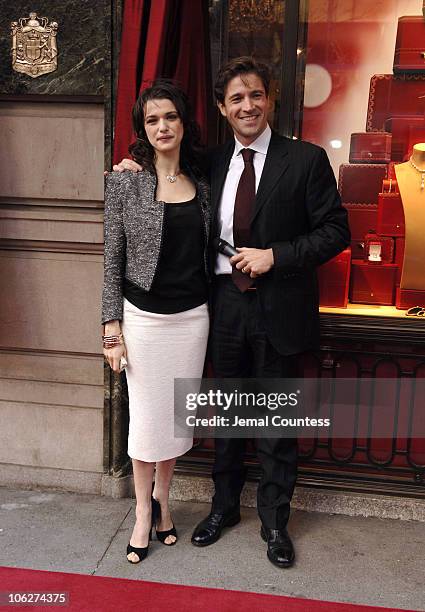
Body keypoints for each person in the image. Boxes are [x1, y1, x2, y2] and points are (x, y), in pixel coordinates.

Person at [114, 57, 350, 568]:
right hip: (219, 309)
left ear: (271, 99)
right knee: (225, 415)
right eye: (236, 99)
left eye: (256, 95)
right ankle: (223, 509)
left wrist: (276, 254)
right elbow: (160, 160)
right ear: (222, 108)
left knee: (274, 420)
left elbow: (336, 231)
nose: (248, 106)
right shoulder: (210, 162)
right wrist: (129, 165)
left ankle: (274, 522)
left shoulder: (306, 160)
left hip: (279, 308)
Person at [102, 79, 210, 564]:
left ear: (184, 123)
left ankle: (165, 502)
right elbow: (112, 258)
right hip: (143, 321)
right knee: (146, 423)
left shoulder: (202, 184)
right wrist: (111, 328)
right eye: (151, 120)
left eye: (169, 117)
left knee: (173, 419)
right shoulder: (125, 182)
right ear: (142, 130)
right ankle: (143, 512)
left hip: (192, 320)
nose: (162, 126)